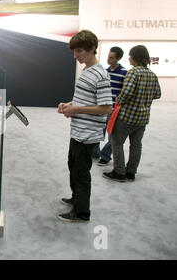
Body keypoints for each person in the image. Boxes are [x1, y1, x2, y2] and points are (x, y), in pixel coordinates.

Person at [57, 30, 112, 223]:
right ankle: (76, 199)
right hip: (78, 132)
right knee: (73, 166)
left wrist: (77, 110)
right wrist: (69, 105)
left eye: (79, 51)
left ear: (91, 49)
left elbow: (106, 108)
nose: (75, 55)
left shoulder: (100, 75)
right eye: (74, 51)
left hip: (88, 135)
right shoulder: (87, 71)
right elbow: (84, 99)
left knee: (81, 173)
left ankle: (82, 213)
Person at [103, 45, 161, 182]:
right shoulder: (152, 74)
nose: (128, 58)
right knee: (136, 145)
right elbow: (158, 94)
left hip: (127, 117)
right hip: (143, 118)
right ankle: (131, 172)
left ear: (135, 57)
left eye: (130, 55)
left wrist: (119, 99)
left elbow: (125, 94)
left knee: (117, 143)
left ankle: (119, 172)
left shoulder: (133, 72)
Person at [93, 47, 128, 166]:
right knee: (98, 132)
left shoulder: (124, 73)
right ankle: (95, 153)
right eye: (108, 57)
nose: (108, 59)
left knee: (112, 136)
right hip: (102, 107)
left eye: (111, 57)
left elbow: (125, 92)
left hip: (115, 110)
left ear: (118, 58)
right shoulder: (105, 72)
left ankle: (105, 155)